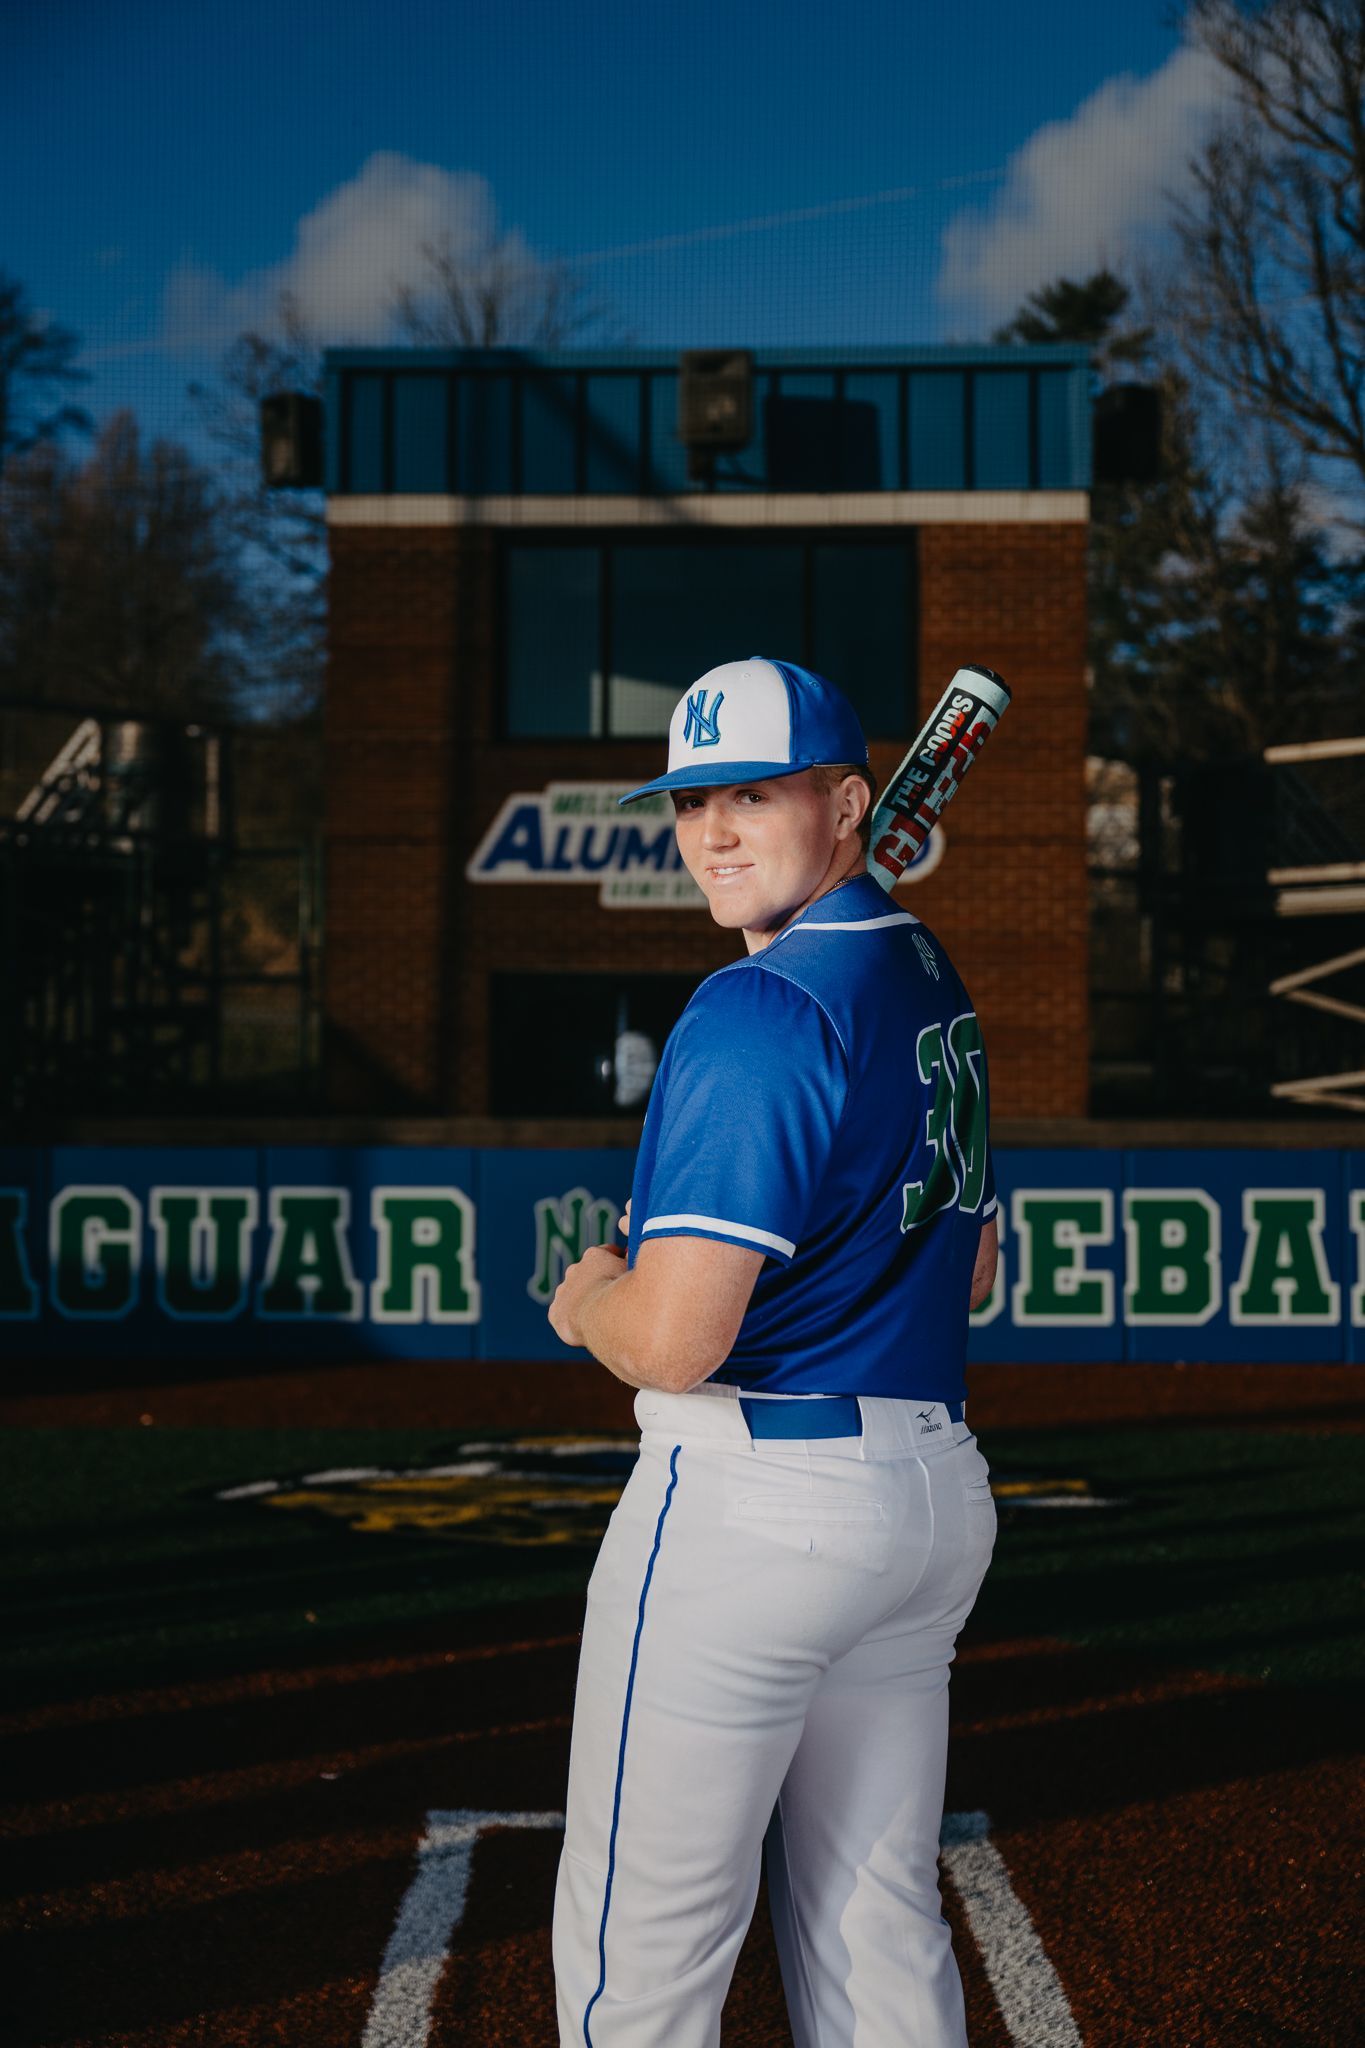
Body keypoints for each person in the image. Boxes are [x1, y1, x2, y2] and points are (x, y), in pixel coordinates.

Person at [548, 656, 1000, 2048]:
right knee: (873, 1932)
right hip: (925, 1512)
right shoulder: (926, 976)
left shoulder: (753, 1011)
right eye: (690, 804)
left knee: (643, 1959)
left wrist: (588, 1299)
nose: (713, 835)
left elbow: (675, 1345)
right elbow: (978, 1265)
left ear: (849, 804)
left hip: (752, 1514)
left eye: (754, 794)